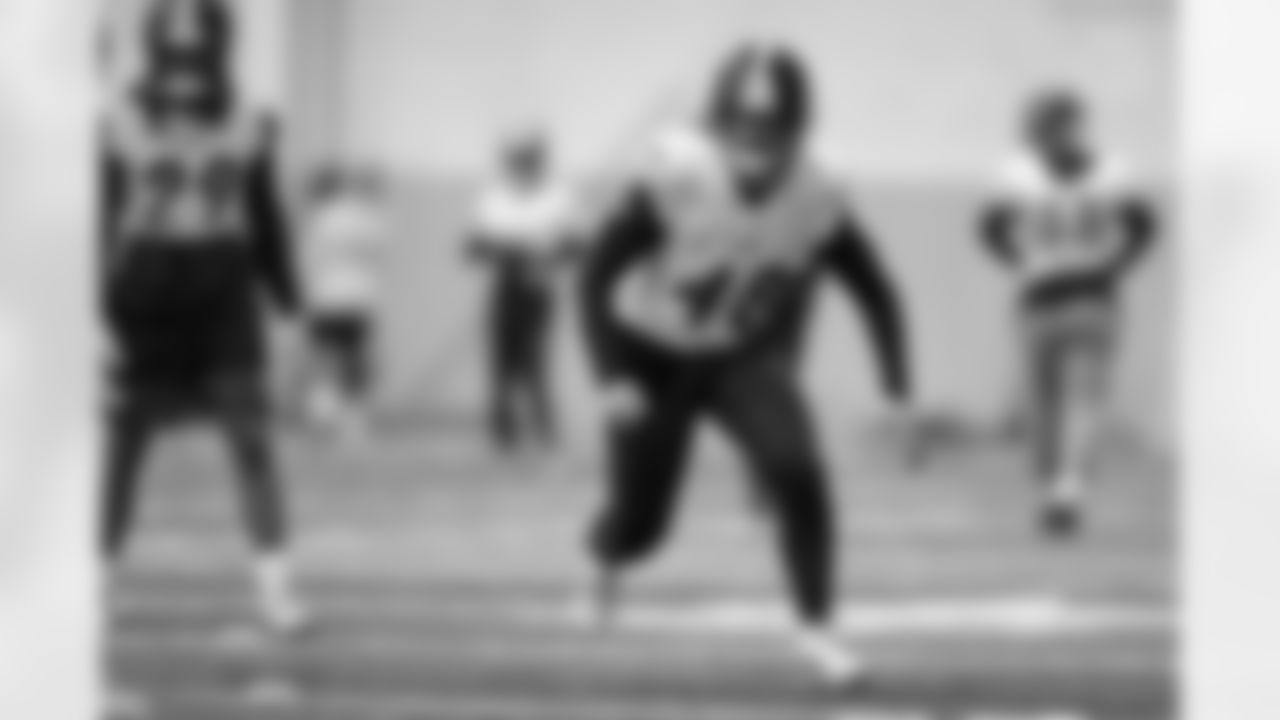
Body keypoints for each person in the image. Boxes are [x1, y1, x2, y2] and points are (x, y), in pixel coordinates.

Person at [579, 43, 914, 686]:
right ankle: (606, 554)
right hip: (649, 353)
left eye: (772, 127)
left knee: (797, 468)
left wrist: (897, 389)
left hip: (738, 355)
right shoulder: (679, 173)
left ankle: (817, 629)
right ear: (719, 121)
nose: (757, 142)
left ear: (798, 128)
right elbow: (596, 273)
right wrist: (610, 375)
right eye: (743, 124)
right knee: (642, 525)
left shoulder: (818, 189)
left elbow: (874, 287)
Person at [100, 0, 310, 713]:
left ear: (220, 46)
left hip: (223, 289)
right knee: (117, 450)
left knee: (252, 442)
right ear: (154, 48)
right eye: (175, 47)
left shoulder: (250, 121)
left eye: (199, 46)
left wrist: (290, 304)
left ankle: (275, 585)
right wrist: (86, 314)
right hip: (143, 294)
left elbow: (268, 214)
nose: (187, 68)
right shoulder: (117, 122)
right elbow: (97, 217)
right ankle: (100, 584)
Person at [980, 89, 1158, 537]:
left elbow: (989, 228)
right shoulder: (1110, 172)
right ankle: (1061, 488)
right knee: (1056, 402)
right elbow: (1144, 227)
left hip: (1065, 296)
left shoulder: (1021, 175)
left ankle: (1064, 488)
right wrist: (1113, 265)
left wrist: (1022, 262)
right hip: (1071, 295)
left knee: (1074, 400)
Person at [467, 131, 579, 453]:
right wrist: (509, 250)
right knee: (501, 361)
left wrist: (548, 253)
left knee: (537, 360)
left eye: (530, 160)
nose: (524, 167)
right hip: (506, 283)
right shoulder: (495, 198)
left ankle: (543, 429)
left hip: (539, 284)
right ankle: (504, 433)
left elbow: (575, 245)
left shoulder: (557, 197)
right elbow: (475, 246)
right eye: (519, 161)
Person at [302, 164, 384, 443]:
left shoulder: (321, 217)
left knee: (325, 359)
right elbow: (380, 251)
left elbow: (311, 260)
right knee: (355, 360)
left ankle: (324, 417)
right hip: (359, 298)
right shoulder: (366, 217)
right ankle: (354, 423)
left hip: (326, 297)